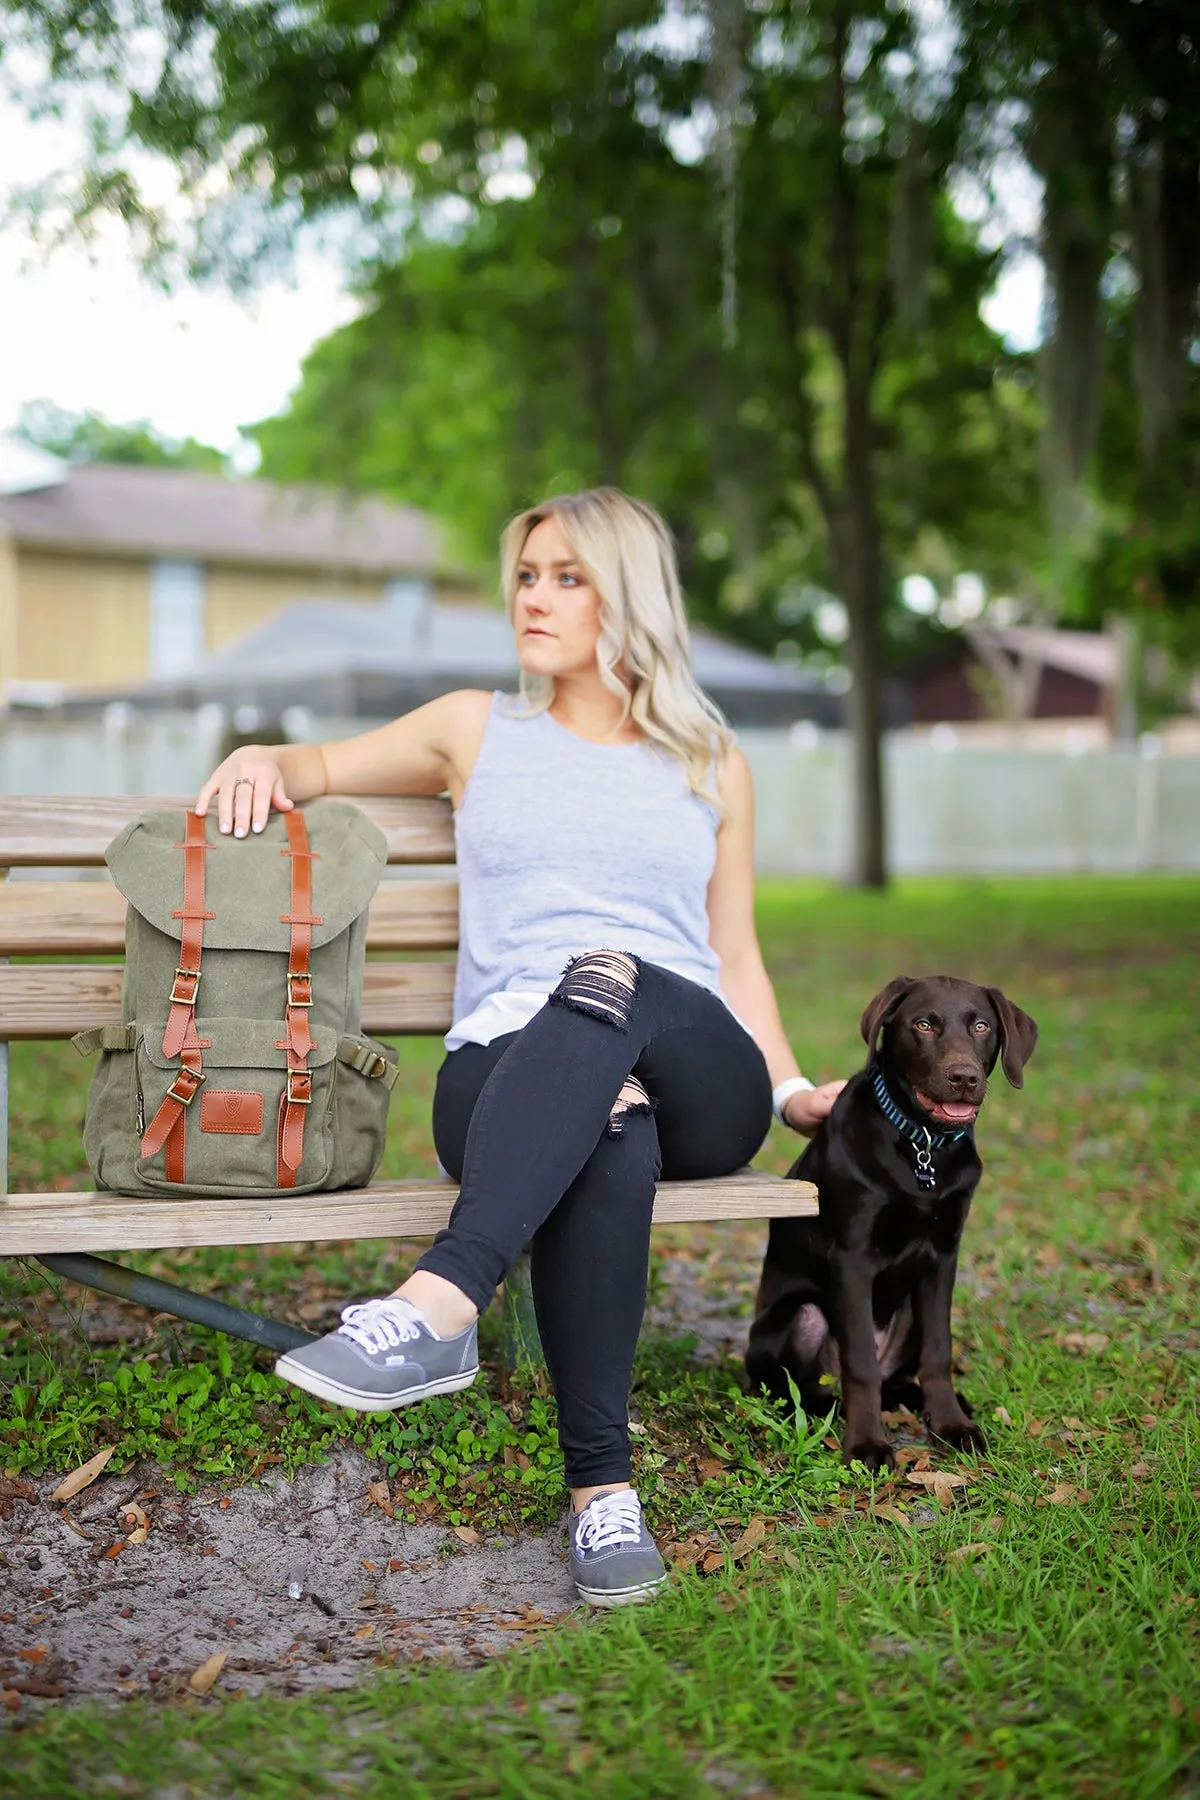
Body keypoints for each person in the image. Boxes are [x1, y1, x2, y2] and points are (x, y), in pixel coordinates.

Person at [195, 487, 844, 1609]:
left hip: (700, 1068)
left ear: (628, 595)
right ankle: (605, 1497)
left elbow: (732, 951)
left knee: (615, 974)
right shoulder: (472, 728)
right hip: (509, 1072)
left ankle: (444, 1303)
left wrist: (786, 1088)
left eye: (567, 577)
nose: (533, 598)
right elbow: (318, 768)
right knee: (609, 1125)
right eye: (527, 575)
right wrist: (264, 755)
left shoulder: (712, 762)